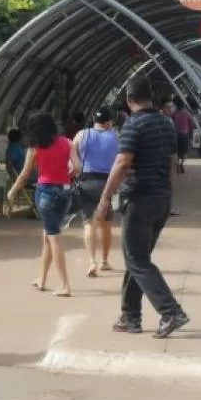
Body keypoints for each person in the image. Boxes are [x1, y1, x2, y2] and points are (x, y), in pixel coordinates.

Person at [95, 76, 189, 338]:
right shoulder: (166, 123)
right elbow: (172, 163)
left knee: (136, 260)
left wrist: (105, 198)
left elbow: (123, 163)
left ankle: (170, 311)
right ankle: (130, 317)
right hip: (161, 198)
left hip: (139, 199)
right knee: (137, 260)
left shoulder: (133, 125)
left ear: (129, 100)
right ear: (151, 97)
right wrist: (167, 195)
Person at [8, 110, 81, 297]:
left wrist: (13, 190)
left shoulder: (34, 148)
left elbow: (24, 175)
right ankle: (42, 278)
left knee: (53, 238)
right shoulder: (67, 142)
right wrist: (67, 176)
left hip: (45, 193)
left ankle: (65, 285)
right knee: (47, 236)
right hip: (65, 193)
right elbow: (78, 168)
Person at [73, 106, 120, 277]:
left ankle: (92, 261)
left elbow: (72, 158)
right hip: (106, 184)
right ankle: (104, 261)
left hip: (86, 181)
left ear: (94, 121)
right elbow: (119, 160)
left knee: (88, 223)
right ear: (109, 122)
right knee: (105, 223)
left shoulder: (81, 135)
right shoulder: (115, 136)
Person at [171, 97, 194, 174]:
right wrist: (191, 133)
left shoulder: (174, 113)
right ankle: (181, 163)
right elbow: (191, 123)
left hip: (176, 134)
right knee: (184, 151)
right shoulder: (187, 113)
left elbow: (172, 121)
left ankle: (177, 164)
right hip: (185, 134)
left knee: (177, 151)